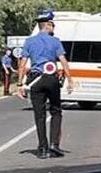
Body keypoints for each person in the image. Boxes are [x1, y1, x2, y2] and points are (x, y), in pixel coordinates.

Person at [17, 11, 75, 159]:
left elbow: (23, 63)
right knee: (56, 111)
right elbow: (63, 61)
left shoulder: (29, 41)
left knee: (39, 115)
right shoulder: (55, 41)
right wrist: (70, 80)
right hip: (51, 79)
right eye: (52, 25)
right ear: (47, 26)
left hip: (35, 80)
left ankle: (43, 148)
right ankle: (55, 144)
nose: (53, 27)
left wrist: (19, 84)